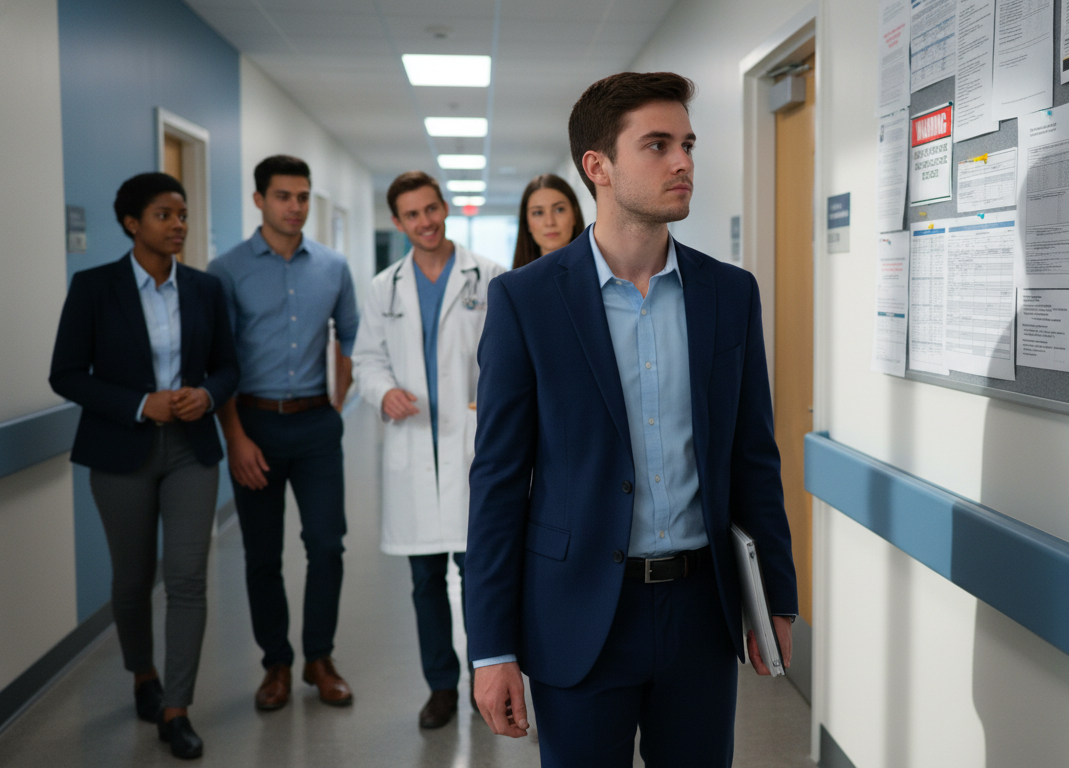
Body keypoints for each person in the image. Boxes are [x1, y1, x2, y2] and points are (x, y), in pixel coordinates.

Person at [466, 72, 799, 767]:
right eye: (657, 145)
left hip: (700, 615)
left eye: (687, 144)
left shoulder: (729, 295)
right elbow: (498, 482)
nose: (683, 162)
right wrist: (491, 647)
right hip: (580, 610)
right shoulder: (526, 302)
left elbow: (752, 456)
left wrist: (777, 597)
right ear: (598, 167)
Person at [50, 172, 239, 760]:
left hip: (191, 450)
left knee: (186, 577)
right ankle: (143, 676)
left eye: (182, 214)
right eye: (164, 214)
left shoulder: (205, 289)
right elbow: (66, 373)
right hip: (119, 451)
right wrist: (139, 403)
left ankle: (176, 708)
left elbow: (229, 366)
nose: (178, 224)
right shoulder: (93, 288)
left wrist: (205, 395)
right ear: (133, 223)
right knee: (132, 580)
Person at [351, 171, 506, 728]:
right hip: (413, 446)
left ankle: (480, 681)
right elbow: (365, 359)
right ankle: (440, 686)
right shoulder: (383, 287)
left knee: (478, 575)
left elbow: (506, 361)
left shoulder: (487, 277)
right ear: (398, 222)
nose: (425, 222)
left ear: (444, 208)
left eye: (431, 209)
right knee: (424, 583)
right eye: (412, 215)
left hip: (471, 446)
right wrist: (381, 390)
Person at [208, 155, 360, 711]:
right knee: (261, 554)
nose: (294, 207)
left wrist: (336, 404)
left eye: (301, 197)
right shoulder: (225, 271)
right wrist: (235, 437)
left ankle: (319, 658)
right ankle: (276, 662)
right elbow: (217, 361)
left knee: (327, 545)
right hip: (254, 426)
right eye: (282, 196)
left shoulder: (333, 266)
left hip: (317, 422)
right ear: (259, 201)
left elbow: (350, 337)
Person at [511, 173, 585, 269]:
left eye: (559, 210)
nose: (550, 222)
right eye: (538, 213)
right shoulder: (513, 282)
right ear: (527, 222)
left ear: (574, 214)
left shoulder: (601, 273)